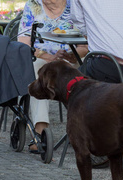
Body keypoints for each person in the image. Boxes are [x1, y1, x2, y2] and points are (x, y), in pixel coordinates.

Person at [18, 0, 88, 153]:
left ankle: (83, 130)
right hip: (42, 59)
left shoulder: (77, 6)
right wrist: (50, 57)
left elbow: (85, 46)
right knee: (37, 70)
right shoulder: (33, 6)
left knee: (90, 69)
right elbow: (24, 43)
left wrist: (73, 57)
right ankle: (40, 131)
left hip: (71, 61)